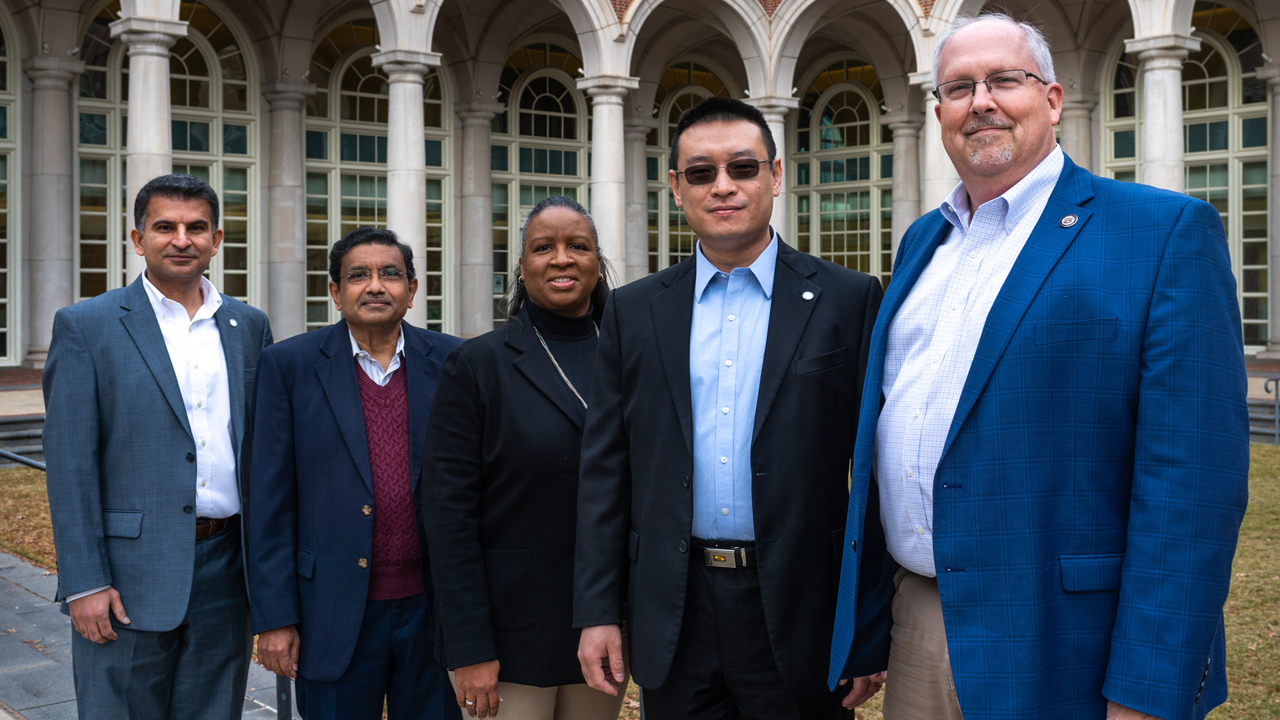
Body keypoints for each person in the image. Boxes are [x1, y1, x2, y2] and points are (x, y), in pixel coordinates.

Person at [827, 13, 1250, 720]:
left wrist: (1147, 691)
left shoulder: (1162, 234)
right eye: (958, 87)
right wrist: (871, 622)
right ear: (938, 114)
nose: (981, 101)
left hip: (1069, 644)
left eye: (1004, 80)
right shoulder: (922, 243)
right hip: (921, 624)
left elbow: (1193, 491)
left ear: (1052, 100)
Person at [573, 96, 895, 719]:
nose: (722, 186)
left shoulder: (848, 300)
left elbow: (877, 479)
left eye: (743, 168)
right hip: (674, 607)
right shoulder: (634, 311)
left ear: (776, 176)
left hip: (803, 608)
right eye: (700, 172)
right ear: (675, 187)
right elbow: (604, 472)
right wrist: (596, 612)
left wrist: (868, 625)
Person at [42, 173, 273, 719]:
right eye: (164, 227)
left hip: (228, 568)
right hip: (126, 576)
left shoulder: (249, 326)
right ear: (137, 237)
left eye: (196, 228)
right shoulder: (87, 326)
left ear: (217, 240)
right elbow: (70, 465)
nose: (181, 239)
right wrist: (84, 582)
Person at [247, 227, 461, 720]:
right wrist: (276, 618)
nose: (375, 286)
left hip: (434, 613)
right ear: (335, 292)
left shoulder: (455, 361)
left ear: (412, 288)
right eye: (358, 275)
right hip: (332, 611)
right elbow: (269, 502)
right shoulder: (288, 366)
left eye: (390, 274)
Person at [424, 196, 626, 720]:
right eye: (544, 248)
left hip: (604, 623)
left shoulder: (631, 355)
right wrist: (470, 647)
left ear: (597, 261)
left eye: (577, 246)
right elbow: (448, 519)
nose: (561, 259)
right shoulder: (476, 366)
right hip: (508, 631)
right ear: (522, 266)